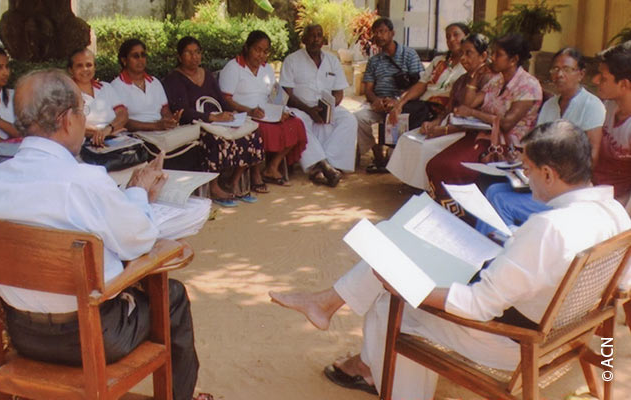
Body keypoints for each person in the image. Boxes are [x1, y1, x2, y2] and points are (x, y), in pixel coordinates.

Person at [269, 120, 631, 399]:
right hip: (566, 330)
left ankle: (375, 368)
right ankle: (330, 308)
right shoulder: (616, 215)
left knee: (388, 301)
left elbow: (478, 306)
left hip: (516, 341)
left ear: (549, 174)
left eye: (528, 169)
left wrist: (411, 289)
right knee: (402, 244)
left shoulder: (549, 228)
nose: (526, 177)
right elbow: (622, 287)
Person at [0, 69, 209, 400]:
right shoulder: (83, 181)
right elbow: (139, 239)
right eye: (83, 112)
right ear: (67, 119)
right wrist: (140, 192)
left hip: (23, 333)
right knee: (172, 296)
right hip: (91, 337)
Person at [477, 47, 606, 236]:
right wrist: (521, 155)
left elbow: (592, 156)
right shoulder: (550, 105)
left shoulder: (592, 105)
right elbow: (539, 144)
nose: (559, 74)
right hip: (542, 179)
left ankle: (502, 248)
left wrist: (557, 178)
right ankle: (498, 245)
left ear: (581, 74)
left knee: (500, 200)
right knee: (493, 188)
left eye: (567, 69)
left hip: (568, 188)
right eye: (555, 69)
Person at [426, 33, 542, 217]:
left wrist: (473, 114)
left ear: (513, 59)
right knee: (436, 164)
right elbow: (469, 102)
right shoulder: (498, 80)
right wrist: (474, 77)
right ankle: (446, 213)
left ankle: (464, 218)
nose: (492, 58)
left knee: (453, 167)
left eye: (498, 55)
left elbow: (506, 123)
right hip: (484, 137)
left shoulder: (528, 85)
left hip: (509, 145)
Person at [165, 36, 267, 206]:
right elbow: (182, 111)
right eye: (188, 53)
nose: (194, 57)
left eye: (197, 52)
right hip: (195, 124)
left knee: (251, 132)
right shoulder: (174, 79)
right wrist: (211, 117)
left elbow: (221, 100)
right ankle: (214, 186)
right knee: (214, 139)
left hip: (218, 121)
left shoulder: (206, 74)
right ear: (179, 56)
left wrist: (231, 114)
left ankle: (233, 182)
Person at [386, 33, 495, 189]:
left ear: (483, 55)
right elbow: (447, 110)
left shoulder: (488, 81)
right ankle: (411, 183)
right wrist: (432, 123)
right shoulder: (461, 80)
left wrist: (443, 130)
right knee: (407, 138)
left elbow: (471, 117)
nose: (463, 58)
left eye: (469, 53)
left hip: (465, 131)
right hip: (447, 124)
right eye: (462, 53)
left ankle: (426, 189)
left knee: (425, 147)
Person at [218, 31, 307, 187]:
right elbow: (226, 99)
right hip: (245, 115)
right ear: (247, 48)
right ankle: (255, 173)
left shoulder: (267, 69)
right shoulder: (233, 67)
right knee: (262, 130)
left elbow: (275, 94)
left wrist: (283, 110)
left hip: (267, 112)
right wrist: (248, 110)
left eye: (265, 52)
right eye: (257, 50)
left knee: (296, 124)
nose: (261, 55)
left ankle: (272, 167)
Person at [279, 24, 358, 187]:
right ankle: (321, 167)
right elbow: (287, 94)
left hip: (326, 108)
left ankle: (328, 165)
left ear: (323, 39)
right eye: (312, 36)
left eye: (319, 35)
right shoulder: (292, 60)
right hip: (301, 108)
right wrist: (309, 110)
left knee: (349, 120)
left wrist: (329, 108)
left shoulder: (332, 60)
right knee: (298, 122)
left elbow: (339, 92)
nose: (316, 39)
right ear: (304, 39)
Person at [354, 17, 425, 172]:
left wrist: (398, 102)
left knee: (395, 163)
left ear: (392, 33)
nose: (379, 36)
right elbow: (368, 89)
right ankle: (377, 154)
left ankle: (391, 156)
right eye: (376, 33)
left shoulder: (409, 54)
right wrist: (376, 101)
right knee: (359, 118)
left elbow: (419, 84)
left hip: (403, 106)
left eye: (383, 31)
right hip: (379, 105)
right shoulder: (374, 61)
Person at [110, 39, 182, 132]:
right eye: (135, 56)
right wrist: (155, 126)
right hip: (135, 136)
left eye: (143, 55)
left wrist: (170, 120)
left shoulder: (154, 82)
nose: (140, 59)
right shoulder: (116, 86)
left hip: (161, 132)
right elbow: (123, 121)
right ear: (124, 60)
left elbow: (165, 111)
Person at [592, 40, 631, 204]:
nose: (595, 80)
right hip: (593, 192)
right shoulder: (607, 108)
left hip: (618, 206)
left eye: (603, 77)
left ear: (624, 84)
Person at [68, 48, 128, 146]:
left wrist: (108, 129)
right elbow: (70, 124)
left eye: (89, 65)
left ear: (95, 67)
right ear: (71, 70)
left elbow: (123, 114)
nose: (85, 69)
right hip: (84, 144)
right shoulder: (67, 93)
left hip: (115, 138)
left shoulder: (106, 87)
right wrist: (100, 133)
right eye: (79, 66)